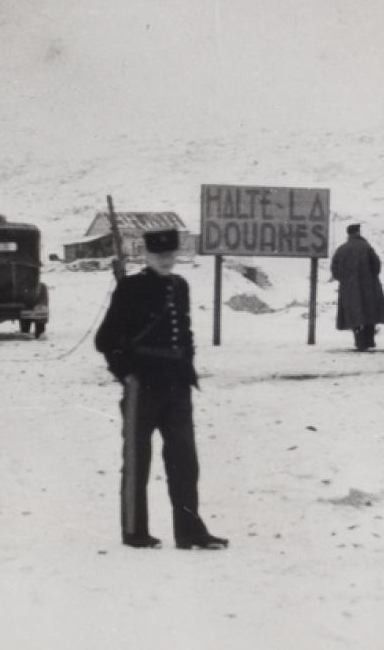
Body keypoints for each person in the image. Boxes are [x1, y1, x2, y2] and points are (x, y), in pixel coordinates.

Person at [94, 228, 227, 551]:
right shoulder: (131, 288)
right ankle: (134, 531)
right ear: (147, 256)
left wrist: (187, 367)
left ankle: (190, 532)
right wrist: (126, 375)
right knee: (137, 461)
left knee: (184, 461)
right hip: (143, 385)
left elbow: (185, 333)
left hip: (177, 385)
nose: (166, 261)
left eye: (171, 256)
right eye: (159, 256)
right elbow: (105, 339)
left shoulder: (179, 286)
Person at [330, 224, 384, 351]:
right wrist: (371, 277)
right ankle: (369, 340)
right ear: (358, 232)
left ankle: (358, 340)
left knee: (353, 314)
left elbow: (334, 270)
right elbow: (377, 265)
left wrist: (344, 280)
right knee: (370, 312)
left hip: (348, 288)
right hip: (368, 286)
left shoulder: (341, 249)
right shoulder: (366, 247)